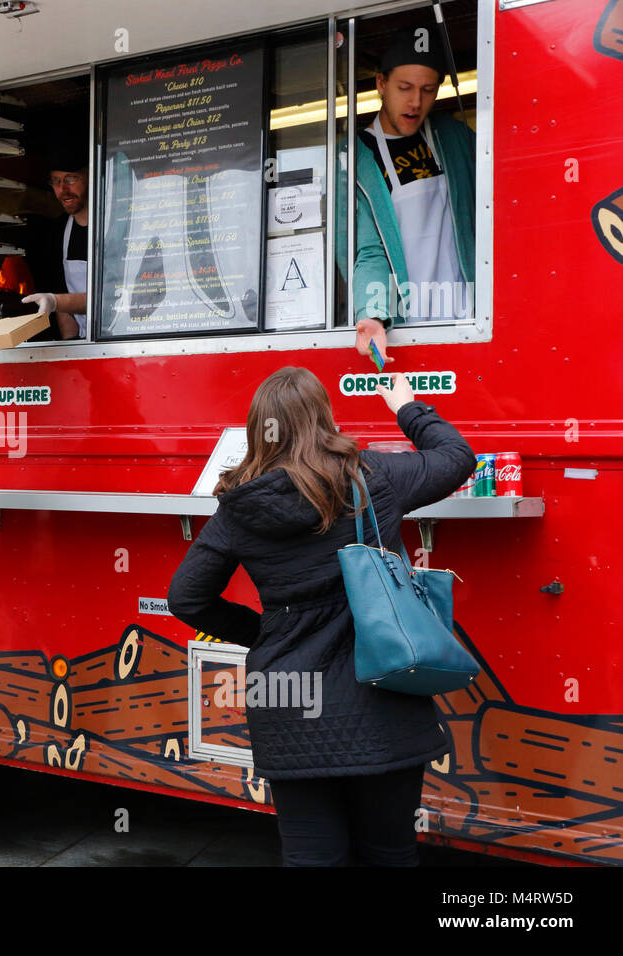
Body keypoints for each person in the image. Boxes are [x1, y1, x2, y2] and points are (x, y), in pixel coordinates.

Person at [166, 367, 475, 866]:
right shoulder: (372, 478)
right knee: (390, 854)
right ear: (323, 419)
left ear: (259, 429)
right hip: (383, 696)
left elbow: (186, 598)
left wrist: (263, 632)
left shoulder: (238, 507)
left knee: (312, 856)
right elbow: (457, 458)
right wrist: (406, 407)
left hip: (289, 702)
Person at [336, 26, 476, 366]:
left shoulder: (454, 137)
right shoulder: (355, 158)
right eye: (405, 88)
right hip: (404, 326)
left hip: (468, 315)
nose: (416, 101)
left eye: (428, 90)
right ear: (381, 83)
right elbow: (366, 250)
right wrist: (372, 315)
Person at [22, 141, 90, 340]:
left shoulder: (112, 227)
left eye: (70, 179)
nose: (63, 189)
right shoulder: (58, 233)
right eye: (56, 181)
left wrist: (55, 301)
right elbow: (62, 300)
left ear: (89, 176)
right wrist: (70, 345)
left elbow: (110, 298)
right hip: (83, 341)